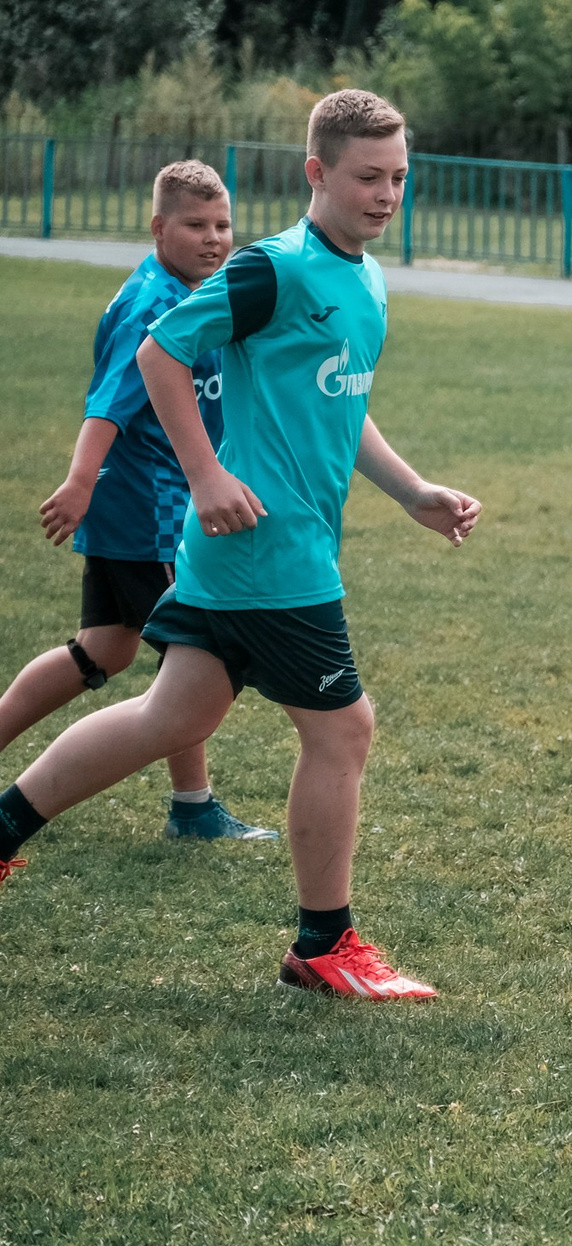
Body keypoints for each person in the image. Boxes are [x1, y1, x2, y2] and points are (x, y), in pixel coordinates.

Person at [0, 91, 481, 1005]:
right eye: (368, 177)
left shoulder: (365, 277)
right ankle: (323, 943)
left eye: (400, 177)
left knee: (168, 718)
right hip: (270, 548)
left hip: (259, 550)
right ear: (316, 174)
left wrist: (412, 489)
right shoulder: (275, 270)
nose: (388, 195)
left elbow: (340, 401)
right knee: (344, 727)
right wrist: (208, 473)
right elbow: (159, 352)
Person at [0, 160, 275, 843]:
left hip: (140, 507)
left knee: (103, 650)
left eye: (223, 226)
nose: (214, 239)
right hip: (146, 512)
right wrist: (80, 480)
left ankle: (191, 806)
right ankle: (192, 807)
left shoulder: (186, 291)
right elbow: (107, 406)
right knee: (195, 652)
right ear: (158, 227)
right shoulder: (153, 305)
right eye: (195, 225)